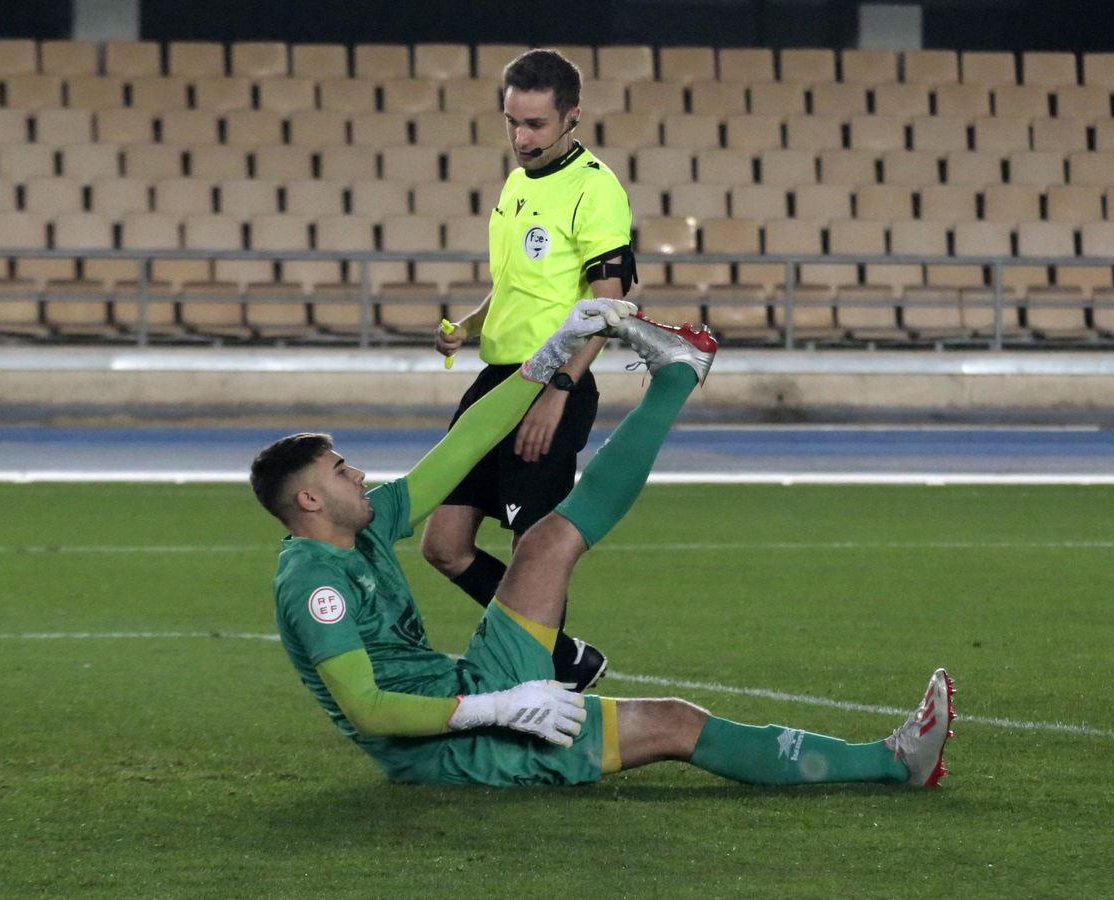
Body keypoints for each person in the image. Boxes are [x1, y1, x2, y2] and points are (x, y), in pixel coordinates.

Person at [253, 302, 955, 788]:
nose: (360, 473)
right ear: (310, 501)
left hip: (466, 688)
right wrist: (500, 708)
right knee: (678, 724)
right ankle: (895, 762)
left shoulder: (368, 522)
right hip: (455, 748)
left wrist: (554, 350)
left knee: (546, 539)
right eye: (341, 470)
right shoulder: (314, 587)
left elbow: (468, 439)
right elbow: (368, 709)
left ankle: (677, 371)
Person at [425, 48, 637, 691]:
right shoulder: (519, 182)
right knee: (444, 543)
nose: (521, 138)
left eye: (536, 125)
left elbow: (612, 305)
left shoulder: (596, 190)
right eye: (511, 121)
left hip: (551, 382)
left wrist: (560, 390)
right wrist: (472, 323)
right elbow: (520, 284)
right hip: (497, 380)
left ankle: (540, 686)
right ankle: (560, 656)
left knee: (533, 552)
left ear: (571, 116)